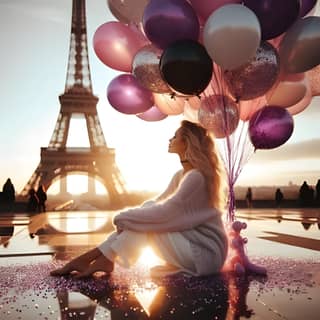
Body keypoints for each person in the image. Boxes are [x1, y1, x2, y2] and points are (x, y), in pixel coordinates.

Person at [51, 120, 228, 279]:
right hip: (196, 248)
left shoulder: (196, 177)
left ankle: (96, 258)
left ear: (186, 143)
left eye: (175, 137)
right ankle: (98, 258)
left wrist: (123, 218)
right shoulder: (181, 175)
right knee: (146, 215)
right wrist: (132, 220)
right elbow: (157, 205)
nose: (170, 139)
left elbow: (166, 212)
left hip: (205, 254)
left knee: (145, 222)